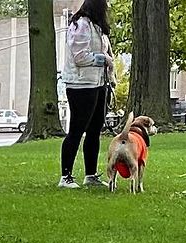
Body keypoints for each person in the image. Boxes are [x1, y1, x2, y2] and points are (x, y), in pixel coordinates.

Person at [60, 0, 114, 188]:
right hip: (80, 85)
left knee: (94, 131)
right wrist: (104, 59)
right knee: (76, 130)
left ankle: (90, 175)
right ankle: (65, 176)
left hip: (97, 84)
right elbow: (80, 57)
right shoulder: (81, 25)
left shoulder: (96, 28)